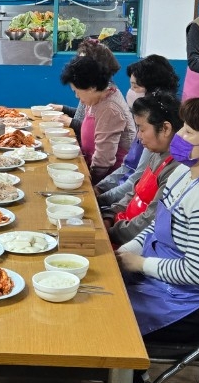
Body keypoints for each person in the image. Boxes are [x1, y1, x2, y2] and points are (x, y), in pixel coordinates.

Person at [90, 96, 199, 383]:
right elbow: (156, 224)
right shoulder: (185, 172)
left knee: (104, 318)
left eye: (190, 132)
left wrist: (139, 265)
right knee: (96, 292)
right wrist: (128, 251)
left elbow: (196, 272)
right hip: (159, 282)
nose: (179, 135)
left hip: (188, 307)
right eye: (183, 127)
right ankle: (121, 376)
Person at [96, 54, 180, 205]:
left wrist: (100, 200)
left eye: (135, 86)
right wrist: (99, 189)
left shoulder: (157, 136)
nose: (130, 91)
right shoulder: (144, 123)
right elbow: (127, 167)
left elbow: (136, 181)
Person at [102, 90, 181, 247]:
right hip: (121, 227)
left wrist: (110, 233)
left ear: (165, 128)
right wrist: (110, 215)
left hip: (135, 242)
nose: (138, 135)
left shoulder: (175, 168)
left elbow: (150, 219)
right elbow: (134, 192)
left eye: (142, 129)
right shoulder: (156, 153)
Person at [60, 54, 136, 182]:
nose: (76, 96)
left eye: (76, 91)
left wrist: (90, 182)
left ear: (92, 87)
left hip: (110, 179)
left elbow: (103, 160)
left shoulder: (110, 109)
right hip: (91, 165)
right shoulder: (95, 98)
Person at [55, 40, 120, 143]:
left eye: (82, 62)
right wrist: (64, 108)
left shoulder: (103, 93)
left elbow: (96, 130)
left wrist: (71, 122)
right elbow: (85, 115)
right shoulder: (89, 87)